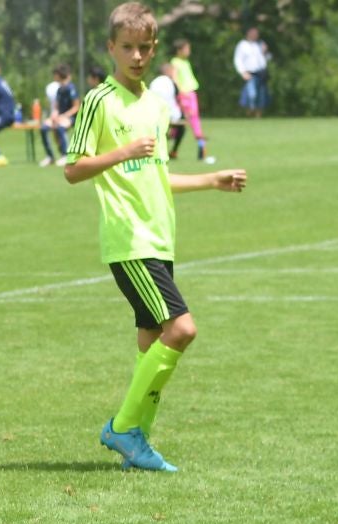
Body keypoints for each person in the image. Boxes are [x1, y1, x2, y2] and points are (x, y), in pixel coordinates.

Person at [64, 2, 247, 472]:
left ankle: (136, 442)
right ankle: (123, 428)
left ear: (154, 47)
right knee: (182, 329)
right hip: (129, 239)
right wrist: (121, 150)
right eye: (127, 47)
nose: (137, 56)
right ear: (111, 48)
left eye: (145, 47)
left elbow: (157, 175)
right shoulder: (99, 102)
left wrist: (211, 181)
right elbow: (73, 168)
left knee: (151, 344)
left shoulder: (155, 104)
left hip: (159, 237)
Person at [168, 40, 206, 160]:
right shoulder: (175, 62)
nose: (188, 51)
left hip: (191, 93)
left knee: (186, 122)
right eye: (186, 49)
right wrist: (182, 93)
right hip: (185, 95)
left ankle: (174, 149)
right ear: (179, 50)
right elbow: (174, 78)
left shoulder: (186, 62)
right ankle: (201, 146)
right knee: (189, 121)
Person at [39, 64, 79, 166]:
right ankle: (50, 157)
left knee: (60, 128)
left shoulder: (71, 88)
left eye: (55, 74)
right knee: (44, 128)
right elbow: (56, 107)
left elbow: (76, 107)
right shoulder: (59, 89)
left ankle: (65, 155)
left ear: (59, 75)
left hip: (71, 117)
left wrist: (64, 116)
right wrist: (54, 115)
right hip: (60, 116)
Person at [148, 63, 186, 158]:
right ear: (168, 72)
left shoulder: (153, 82)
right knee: (182, 127)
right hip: (171, 115)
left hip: (154, 115)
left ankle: (159, 151)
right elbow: (178, 95)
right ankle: (174, 150)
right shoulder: (171, 82)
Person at [234, 26, 270, 118]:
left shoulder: (260, 44)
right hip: (250, 73)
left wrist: (265, 52)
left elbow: (267, 58)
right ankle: (249, 113)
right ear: (248, 34)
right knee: (251, 95)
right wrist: (242, 72)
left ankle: (258, 116)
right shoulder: (243, 45)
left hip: (261, 73)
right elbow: (238, 59)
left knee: (261, 95)